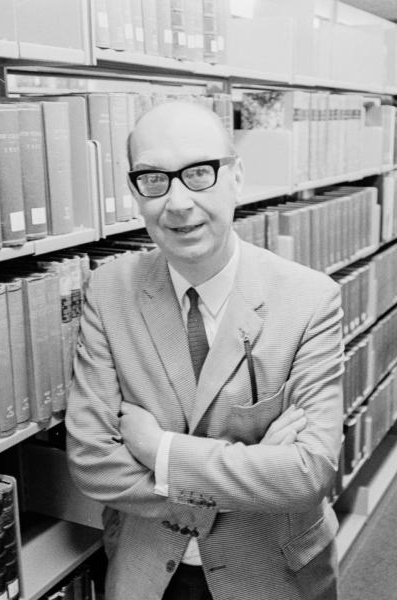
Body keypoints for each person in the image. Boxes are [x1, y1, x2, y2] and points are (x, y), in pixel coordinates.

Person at [65, 99, 344, 600]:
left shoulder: (309, 299)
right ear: (135, 191)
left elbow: (310, 472)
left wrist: (160, 452)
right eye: (153, 178)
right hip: (147, 571)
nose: (176, 202)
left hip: (272, 573)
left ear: (236, 177)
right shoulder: (108, 291)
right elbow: (91, 460)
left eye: (198, 173)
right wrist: (256, 472)